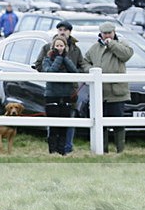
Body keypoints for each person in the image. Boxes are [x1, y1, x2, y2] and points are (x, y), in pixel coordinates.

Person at [33, 20, 89, 154]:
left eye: (65, 29)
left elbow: (80, 66)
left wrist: (80, 76)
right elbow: (39, 64)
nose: (62, 32)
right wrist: (50, 73)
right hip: (53, 90)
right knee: (53, 121)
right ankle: (53, 150)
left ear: (70, 32)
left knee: (69, 119)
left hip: (70, 90)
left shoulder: (75, 49)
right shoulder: (47, 48)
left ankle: (66, 149)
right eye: (60, 29)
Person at [83, 22, 134, 153]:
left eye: (109, 33)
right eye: (104, 33)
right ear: (100, 33)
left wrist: (111, 44)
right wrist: (92, 71)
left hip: (116, 93)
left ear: (114, 32)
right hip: (100, 93)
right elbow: (85, 61)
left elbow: (126, 55)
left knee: (118, 123)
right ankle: (102, 150)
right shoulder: (94, 48)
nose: (106, 35)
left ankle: (120, 150)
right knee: (100, 124)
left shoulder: (122, 45)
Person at [42, 35, 79, 155]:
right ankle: (52, 151)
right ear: (53, 47)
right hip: (52, 95)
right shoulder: (47, 59)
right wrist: (58, 58)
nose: (59, 48)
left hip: (66, 95)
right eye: (57, 45)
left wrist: (65, 58)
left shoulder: (67, 59)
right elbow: (51, 72)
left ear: (65, 47)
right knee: (53, 126)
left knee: (64, 126)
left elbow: (74, 71)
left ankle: (62, 151)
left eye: (61, 45)